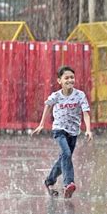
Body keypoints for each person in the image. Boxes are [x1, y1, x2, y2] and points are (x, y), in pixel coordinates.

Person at [32, 66, 93, 198]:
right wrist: (42, 124)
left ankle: (49, 181)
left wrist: (88, 129)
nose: (70, 80)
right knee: (66, 153)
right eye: (66, 78)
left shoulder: (80, 95)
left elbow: (86, 113)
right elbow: (48, 106)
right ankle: (68, 184)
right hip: (59, 129)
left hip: (73, 131)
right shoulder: (56, 96)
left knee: (64, 158)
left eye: (72, 77)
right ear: (59, 81)